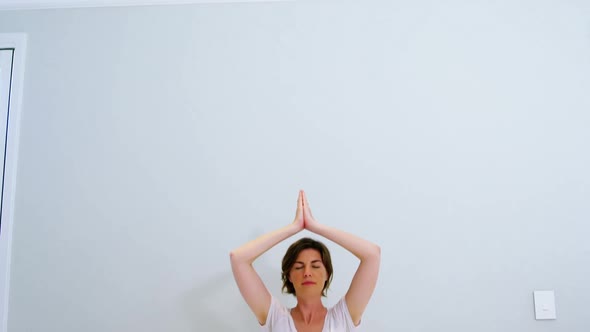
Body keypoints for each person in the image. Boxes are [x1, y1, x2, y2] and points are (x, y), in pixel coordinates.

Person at [229, 190, 381, 331]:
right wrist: (294, 227)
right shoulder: (276, 317)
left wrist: (315, 226)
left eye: (315, 266)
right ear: (289, 275)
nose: (307, 273)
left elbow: (372, 254)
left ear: (327, 273)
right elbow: (238, 259)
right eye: (298, 267)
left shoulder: (342, 317)